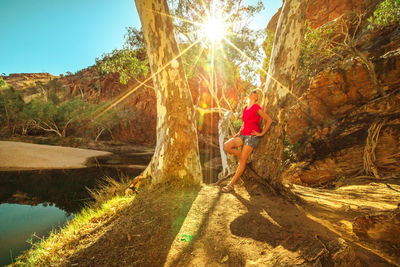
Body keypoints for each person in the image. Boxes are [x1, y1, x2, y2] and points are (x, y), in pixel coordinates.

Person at [220, 88, 272, 193]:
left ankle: (231, 185)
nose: (251, 92)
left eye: (254, 92)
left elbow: (269, 120)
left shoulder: (256, 107)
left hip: (252, 137)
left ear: (257, 97)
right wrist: (239, 132)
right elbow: (245, 122)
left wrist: (261, 133)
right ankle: (242, 157)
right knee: (226, 146)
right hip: (243, 135)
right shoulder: (245, 108)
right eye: (252, 91)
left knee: (242, 161)